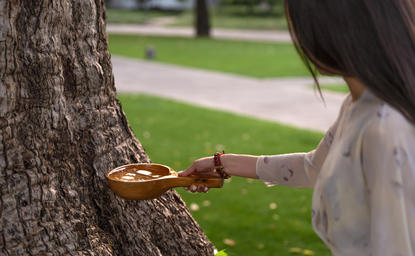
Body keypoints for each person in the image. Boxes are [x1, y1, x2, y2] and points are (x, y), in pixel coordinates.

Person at [179, 0, 415, 255]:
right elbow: (312, 167)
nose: (299, 40)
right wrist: (222, 163)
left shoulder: (385, 127)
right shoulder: (360, 104)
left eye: (300, 27)